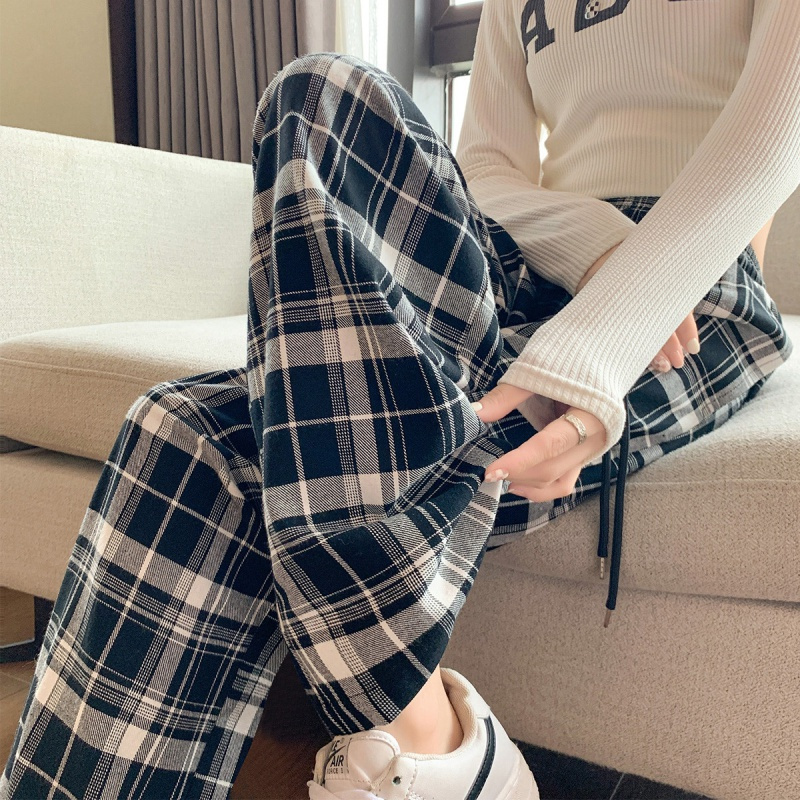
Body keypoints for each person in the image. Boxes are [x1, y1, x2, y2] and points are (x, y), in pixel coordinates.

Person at [2, 0, 797, 798]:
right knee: (320, 95)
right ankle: (429, 738)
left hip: (690, 298)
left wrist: (599, 346)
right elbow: (487, 171)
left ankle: (423, 754)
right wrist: (593, 244)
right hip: (528, 265)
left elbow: (769, 143)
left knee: (198, 437)